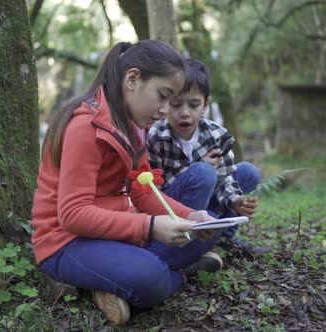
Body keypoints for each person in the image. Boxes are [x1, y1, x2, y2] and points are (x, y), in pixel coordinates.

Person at [31, 41, 224, 326]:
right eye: (163, 96)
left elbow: (142, 190)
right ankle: (162, 275)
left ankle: (117, 275)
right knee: (152, 279)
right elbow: (71, 215)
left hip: (108, 232)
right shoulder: (85, 128)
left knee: (209, 229)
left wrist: (190, 216)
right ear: (132, 79)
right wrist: (150, 227)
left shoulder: (134, 127)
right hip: (64, 242)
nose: (164, 110)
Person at [147, 58, 267, 253]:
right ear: (166, 101)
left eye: (193, 105)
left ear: (205, 105)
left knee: (248, 172)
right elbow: (155, 191)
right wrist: (199, 167)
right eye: (176, 105)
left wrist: (236, 201)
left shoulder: (217, 135)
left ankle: (225, 240)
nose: (184, 113)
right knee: (204, 172)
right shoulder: (157, 137)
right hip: (177, 207)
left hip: (211, 200)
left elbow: (224, 180)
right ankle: (189, 245)